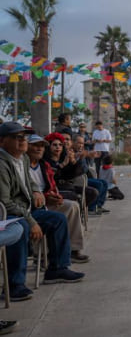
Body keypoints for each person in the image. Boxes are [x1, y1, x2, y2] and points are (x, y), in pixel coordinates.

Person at [0, 121, 84, 302]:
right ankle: (14, 285)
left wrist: (38, 192)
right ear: (2, 141)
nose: (23, 141)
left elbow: (28, 183)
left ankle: (56, 268)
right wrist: (31, 221)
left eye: (24, 137)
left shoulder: (22, 159)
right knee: (21, 226)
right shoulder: (2, 164)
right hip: (9, 216)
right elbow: (5, 203)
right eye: (17, 137)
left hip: (28, 209)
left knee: (58, 219)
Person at [26, 134, 90, 262]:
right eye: (35, 146)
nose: (39, 149)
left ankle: (73, 249)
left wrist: (55, 195)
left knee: (72, 205)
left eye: (41, 146)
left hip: (48, 199)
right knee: (60, 216)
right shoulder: (22, 165)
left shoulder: (43, 165)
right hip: (30, 207)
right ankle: (45, 255)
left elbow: (59, 180)